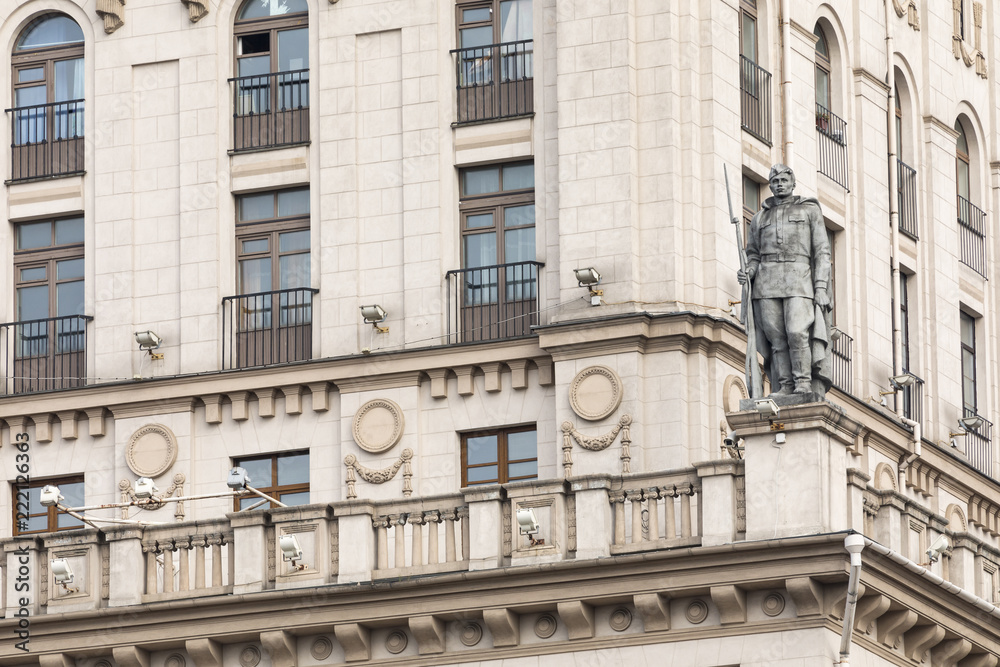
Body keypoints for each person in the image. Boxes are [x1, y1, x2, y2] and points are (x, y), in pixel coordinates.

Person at [737, 164, 833, 397]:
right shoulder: (760, 218)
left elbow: (822, 251)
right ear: (769, 185)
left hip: (799, 279)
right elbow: (753, 253)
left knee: (797, 331)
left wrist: (820, 287)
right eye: (775, 181)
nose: (779, 184)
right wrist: (749, 270)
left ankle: (803, 383)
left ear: (793, 184)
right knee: (776, 338)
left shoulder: (809, 211)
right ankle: (785, 385)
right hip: (767, 282)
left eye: (783, 180)